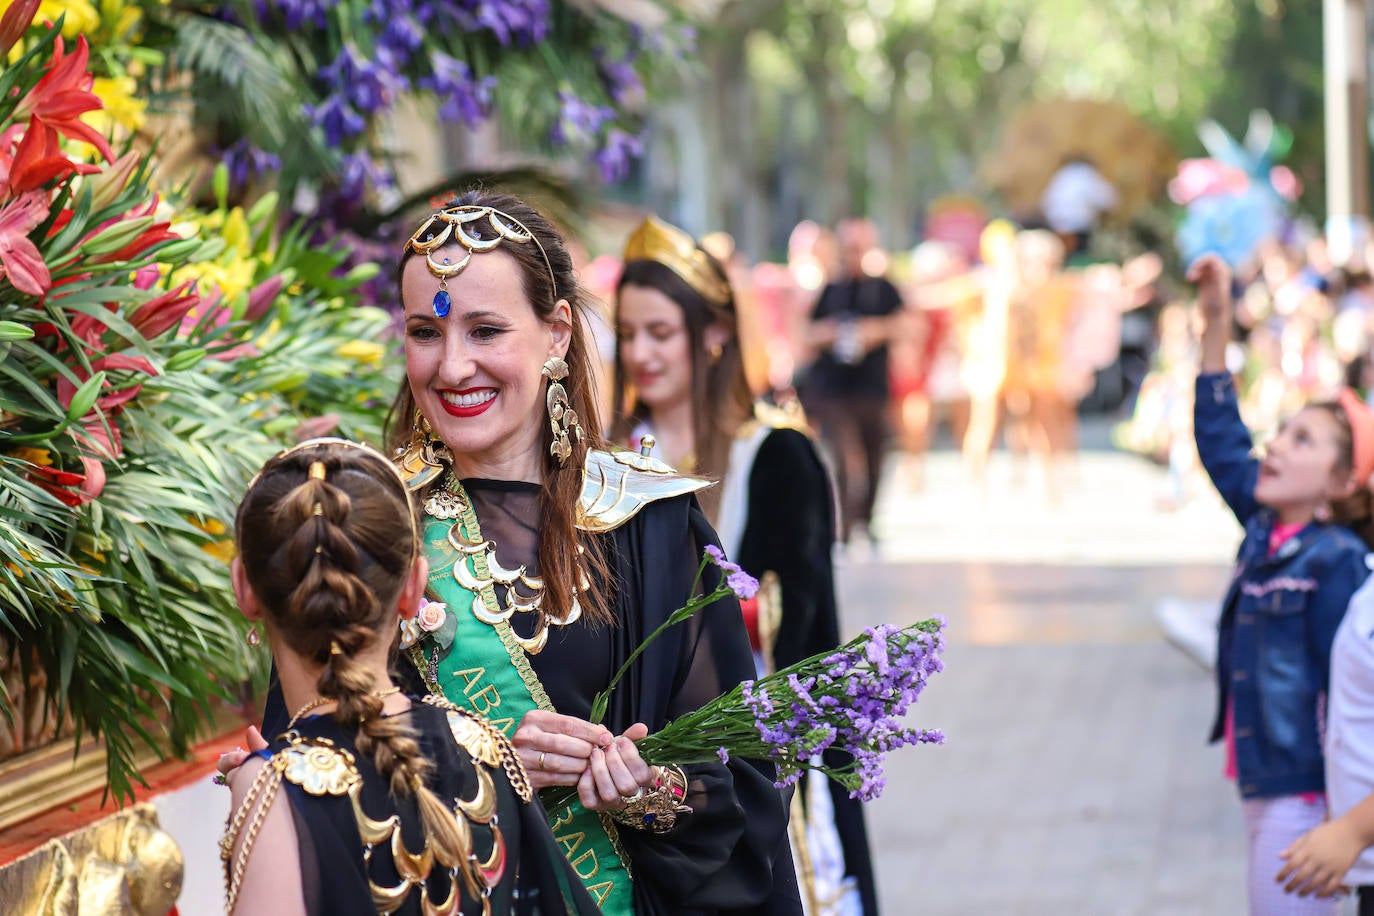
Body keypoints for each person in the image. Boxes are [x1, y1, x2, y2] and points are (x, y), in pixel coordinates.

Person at [368, 190, 799, 915]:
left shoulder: (650, 526)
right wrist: (474, 766)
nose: (451, 367)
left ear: (557, 334)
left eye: (486, 331)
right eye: (425, 332)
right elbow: (318, 775)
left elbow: (741, 783)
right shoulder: (375, 528)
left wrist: (645, 789)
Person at [612, 214, 880, 914]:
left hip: (763, 767)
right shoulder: (602, 463)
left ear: (714, 334)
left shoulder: (777, 456)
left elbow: (814, 642)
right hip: (635, 778)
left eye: (660, 333)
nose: (640, 352)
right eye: (628, 333)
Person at [220, 437, 598, 915]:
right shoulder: (482, 744)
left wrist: (264, 790)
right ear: (414, 589)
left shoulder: (271, 790)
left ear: (245, 589)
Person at [1190, 254, 1374, 915]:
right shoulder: (1267, 528)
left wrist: (1342, 816)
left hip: (1307, 792)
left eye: (1303, 441)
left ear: (1339, 486)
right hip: (1262, 780)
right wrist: (1215, 323)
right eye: (1281, 433)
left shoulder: (1339, 563)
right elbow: (1219, 439)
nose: (1274, 446)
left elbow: (1350, 691)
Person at [799, 217, 903, 546]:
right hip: (834, 389)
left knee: (875, 456)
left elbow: (907, 324)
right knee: (843, 458)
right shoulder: (830, 290)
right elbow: (807, 332)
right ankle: (843, 523)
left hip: (871, 387)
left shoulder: (884, 289)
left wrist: (875, 331)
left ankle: (866, 519)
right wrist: (828, 334)